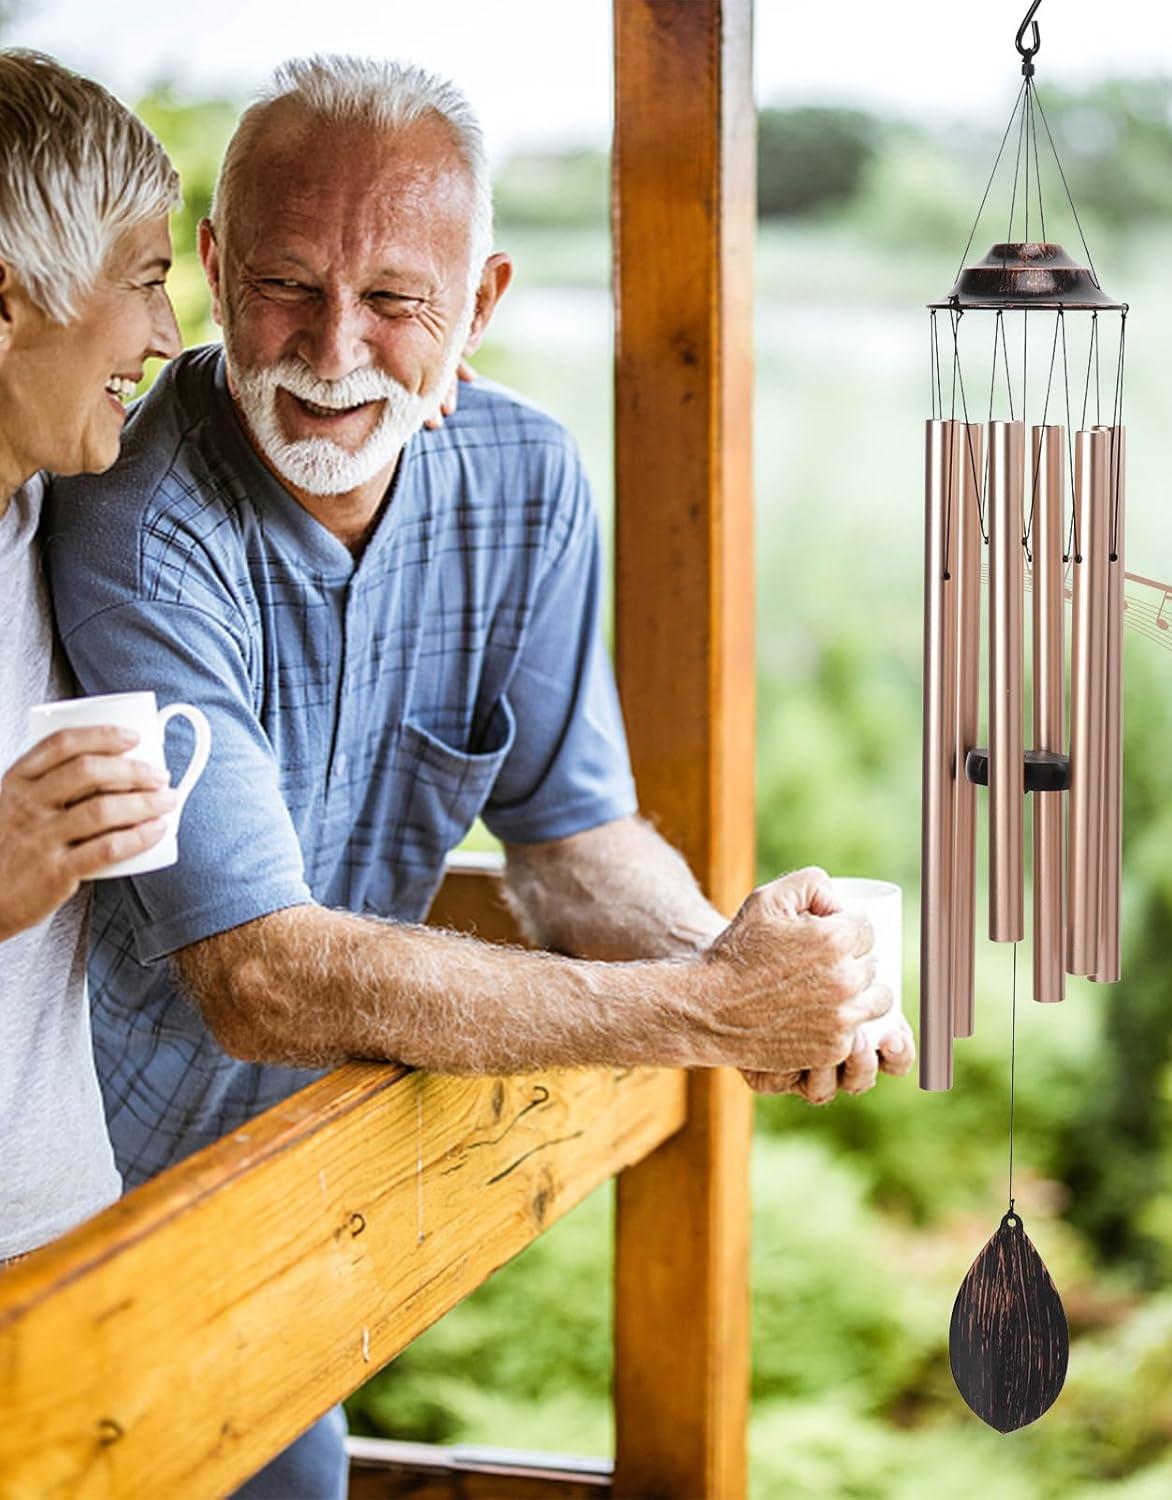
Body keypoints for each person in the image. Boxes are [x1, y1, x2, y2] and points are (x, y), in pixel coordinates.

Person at [47, 54, 913, 1496]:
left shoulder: (530, 478)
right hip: (97, 1229)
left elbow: (575, 844)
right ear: (207, 263)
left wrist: (760, 976)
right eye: (282, 284)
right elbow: (257, 974)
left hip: (304, 1210)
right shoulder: (142, 514)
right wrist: (706, 1008)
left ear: (484, 305)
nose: (331, 349)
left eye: (395, 302)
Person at [0, 50, 183, 1265]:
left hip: (61, 1247)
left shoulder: (40, 511)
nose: (168, 332)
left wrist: (410, 372)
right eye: (146, 280)